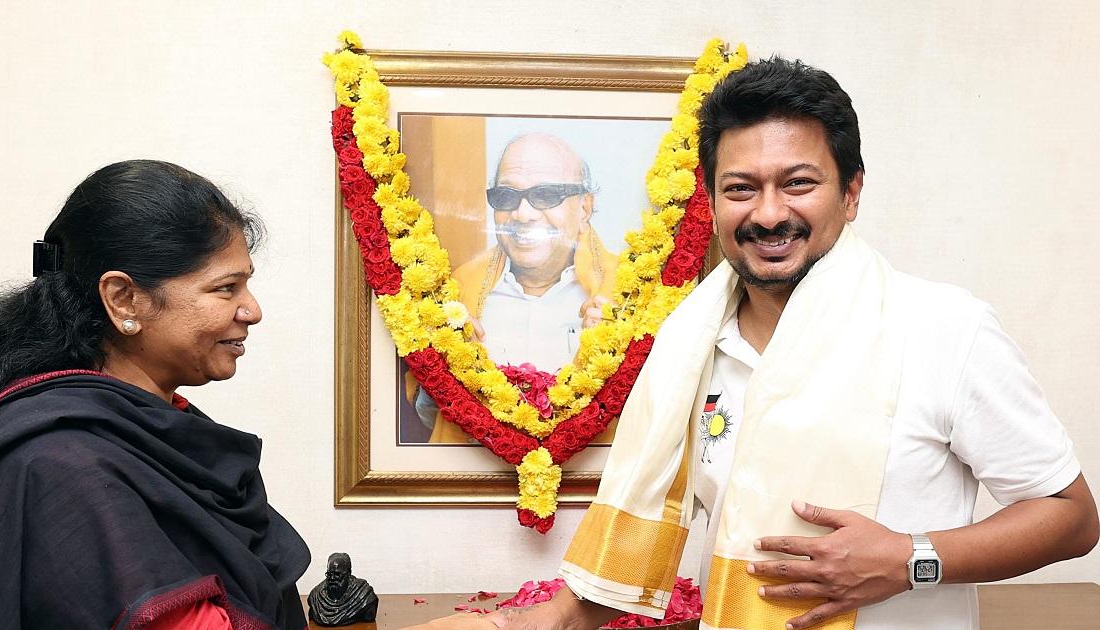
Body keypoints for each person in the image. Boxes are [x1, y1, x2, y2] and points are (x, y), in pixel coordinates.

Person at [423, 58, 1099, 630]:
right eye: (741, 189)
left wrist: (910, 559)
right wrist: (516, 622)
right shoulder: (690, 346)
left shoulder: (945, 328)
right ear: (714, 203)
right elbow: (628, 566)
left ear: (851, 192)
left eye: (798, 183)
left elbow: (1071, 519)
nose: (769, 214)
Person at [0, 160, 311, 629]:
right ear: (123, 299)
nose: (252, 310)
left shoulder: (157, 427)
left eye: (246, 284)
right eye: (225, 288)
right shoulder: (63, 464)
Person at [422, 132, 620, 443]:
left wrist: (619, 353)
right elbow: (425, 414)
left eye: (546, 194)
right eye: (506, 196)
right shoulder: (459, 291)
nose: (523, 214)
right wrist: (445, 365)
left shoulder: (625, 291)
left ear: (584, 208)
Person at [307, 553, 378, 626]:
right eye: (329, 574)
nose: (332, 578)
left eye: (337, 575)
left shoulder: (363, 595)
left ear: (349, 573)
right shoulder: (315, 597)